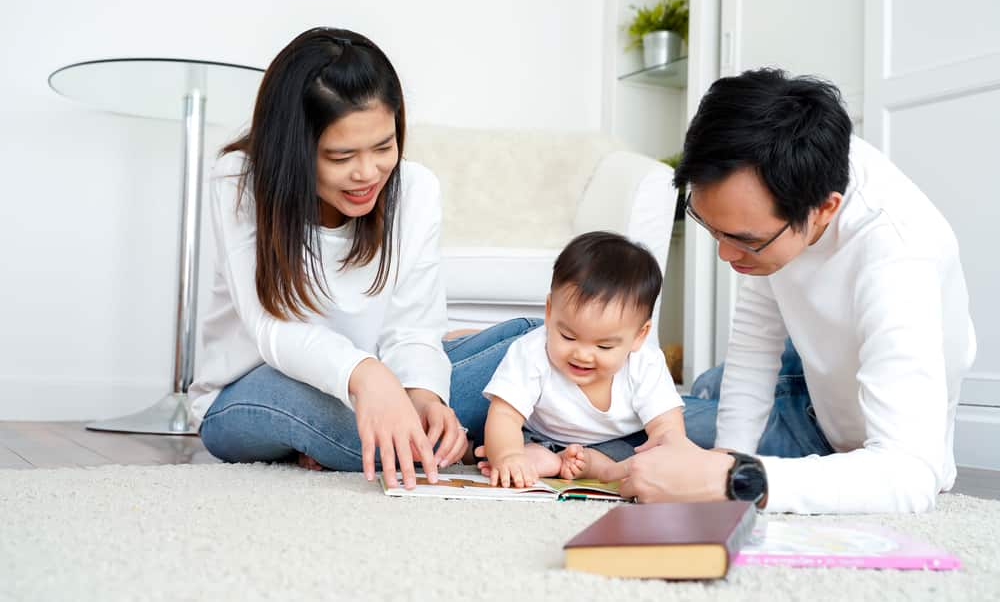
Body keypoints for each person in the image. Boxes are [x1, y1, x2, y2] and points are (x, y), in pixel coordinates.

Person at [601, 68, 976, 514]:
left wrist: (733, 478)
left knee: (597, 408)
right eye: (711, 228)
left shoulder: (898, 254)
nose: (725, 255)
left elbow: (912, 477)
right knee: (617, 370)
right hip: (813, 370)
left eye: (744, 239)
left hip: (832, 430)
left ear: (825, 210)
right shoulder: (782, 170)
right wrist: (728, 453)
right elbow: (756, 336)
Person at [188, 27, 538, 489]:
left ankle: (429, 429)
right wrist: (367, 376)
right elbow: (272, 327)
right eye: (340, 155)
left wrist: (427, 396)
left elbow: (413, 328)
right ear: (294, 148)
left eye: (383, 147)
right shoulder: (239, 180)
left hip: (376, 378)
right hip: (253, 387)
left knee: (542, 343)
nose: (367, 173)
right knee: (389, 436)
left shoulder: (416, 190)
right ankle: (490, 430)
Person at [475, 232, 686, 488]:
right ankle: (544, 459)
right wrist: (508, 455)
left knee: (637, 454)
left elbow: (666, 426)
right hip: (539, 435)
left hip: (616, 442)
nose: (582, 355)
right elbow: (505, 415)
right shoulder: (531, 352)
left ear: (639, 336)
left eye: (604, 345)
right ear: (550, 311)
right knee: (499, 438)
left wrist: (671, 459)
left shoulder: (646, 362)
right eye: (568, 336)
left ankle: (591, 465)